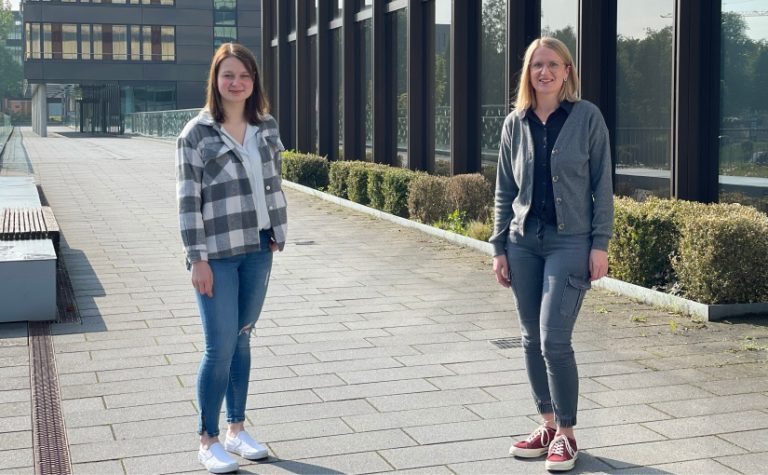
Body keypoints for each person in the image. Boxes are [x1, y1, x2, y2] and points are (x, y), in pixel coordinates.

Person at [489, 37, 613, 472]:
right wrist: (498, 246)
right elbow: (505, 189)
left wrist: (600, 244)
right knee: (530, 337)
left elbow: (602, 186)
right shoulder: (514, 123)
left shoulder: (587, 118)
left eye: (553, 65)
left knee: (553, 339)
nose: (544, 72)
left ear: (567, 72)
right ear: (528, 72)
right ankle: (546, 424)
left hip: (569, 241)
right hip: (523, 243)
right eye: (537, 65)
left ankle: (567, 434)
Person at [176, 42, 287, 474]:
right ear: (216, 81)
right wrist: (196, 258)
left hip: (259, 248)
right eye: (228, 76)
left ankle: (236, 430)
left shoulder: (267, 127)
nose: (236, 83)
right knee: (219, 346)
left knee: (242, 337)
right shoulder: (196, 135)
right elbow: (188, 203)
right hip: (216, 254)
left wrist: (277, 230)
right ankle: (207, 439)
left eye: (244, 75)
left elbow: (273, 183)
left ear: (253, 81)